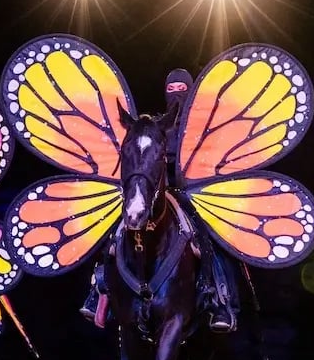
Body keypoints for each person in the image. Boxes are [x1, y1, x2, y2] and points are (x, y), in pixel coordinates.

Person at [79, 68, 239, 333]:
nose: (176, 94)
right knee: (114, 230)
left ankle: (221, 300)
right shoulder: (155, 125)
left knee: (212, 237)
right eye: (171, 89)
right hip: (153, 191)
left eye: (182, 89)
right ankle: (99, 289)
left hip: (189, 193)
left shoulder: (202, 128)